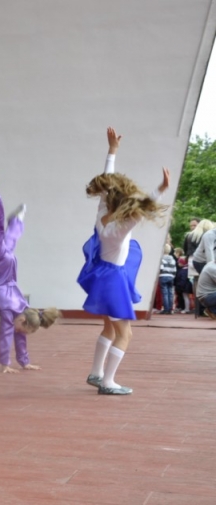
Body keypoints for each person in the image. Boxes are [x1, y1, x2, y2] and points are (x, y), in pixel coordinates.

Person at [77, 127, 169, 395]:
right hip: (114, 281)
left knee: (109, 328)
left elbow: (107, 183)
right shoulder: (121, 226)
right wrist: (160, 189)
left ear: (107, 199)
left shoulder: (102, 214)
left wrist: (112, 151)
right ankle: (108, 382)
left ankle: (96, 373)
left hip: (101, 275)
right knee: (125, 334)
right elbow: (144, 208)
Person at [0, 170, 61, 373]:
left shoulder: (25, 310)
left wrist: (24, 362)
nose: (18, 332)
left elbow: (19, 337)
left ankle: (18, 220)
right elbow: (5, 336)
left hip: (8, 268)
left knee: (8, 243)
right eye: (21, 328)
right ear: (23, 320)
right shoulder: (11, 311)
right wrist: (5, 364)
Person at [158, 244, 176, 314]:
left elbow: (161, 268)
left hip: (163, 276)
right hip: (171, 276)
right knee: (170, 293)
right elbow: (174, 270)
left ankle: (166, 309)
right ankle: (170, 309)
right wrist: (173, 276)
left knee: (165, 293)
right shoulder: (172, 259)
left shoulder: (161, 259)